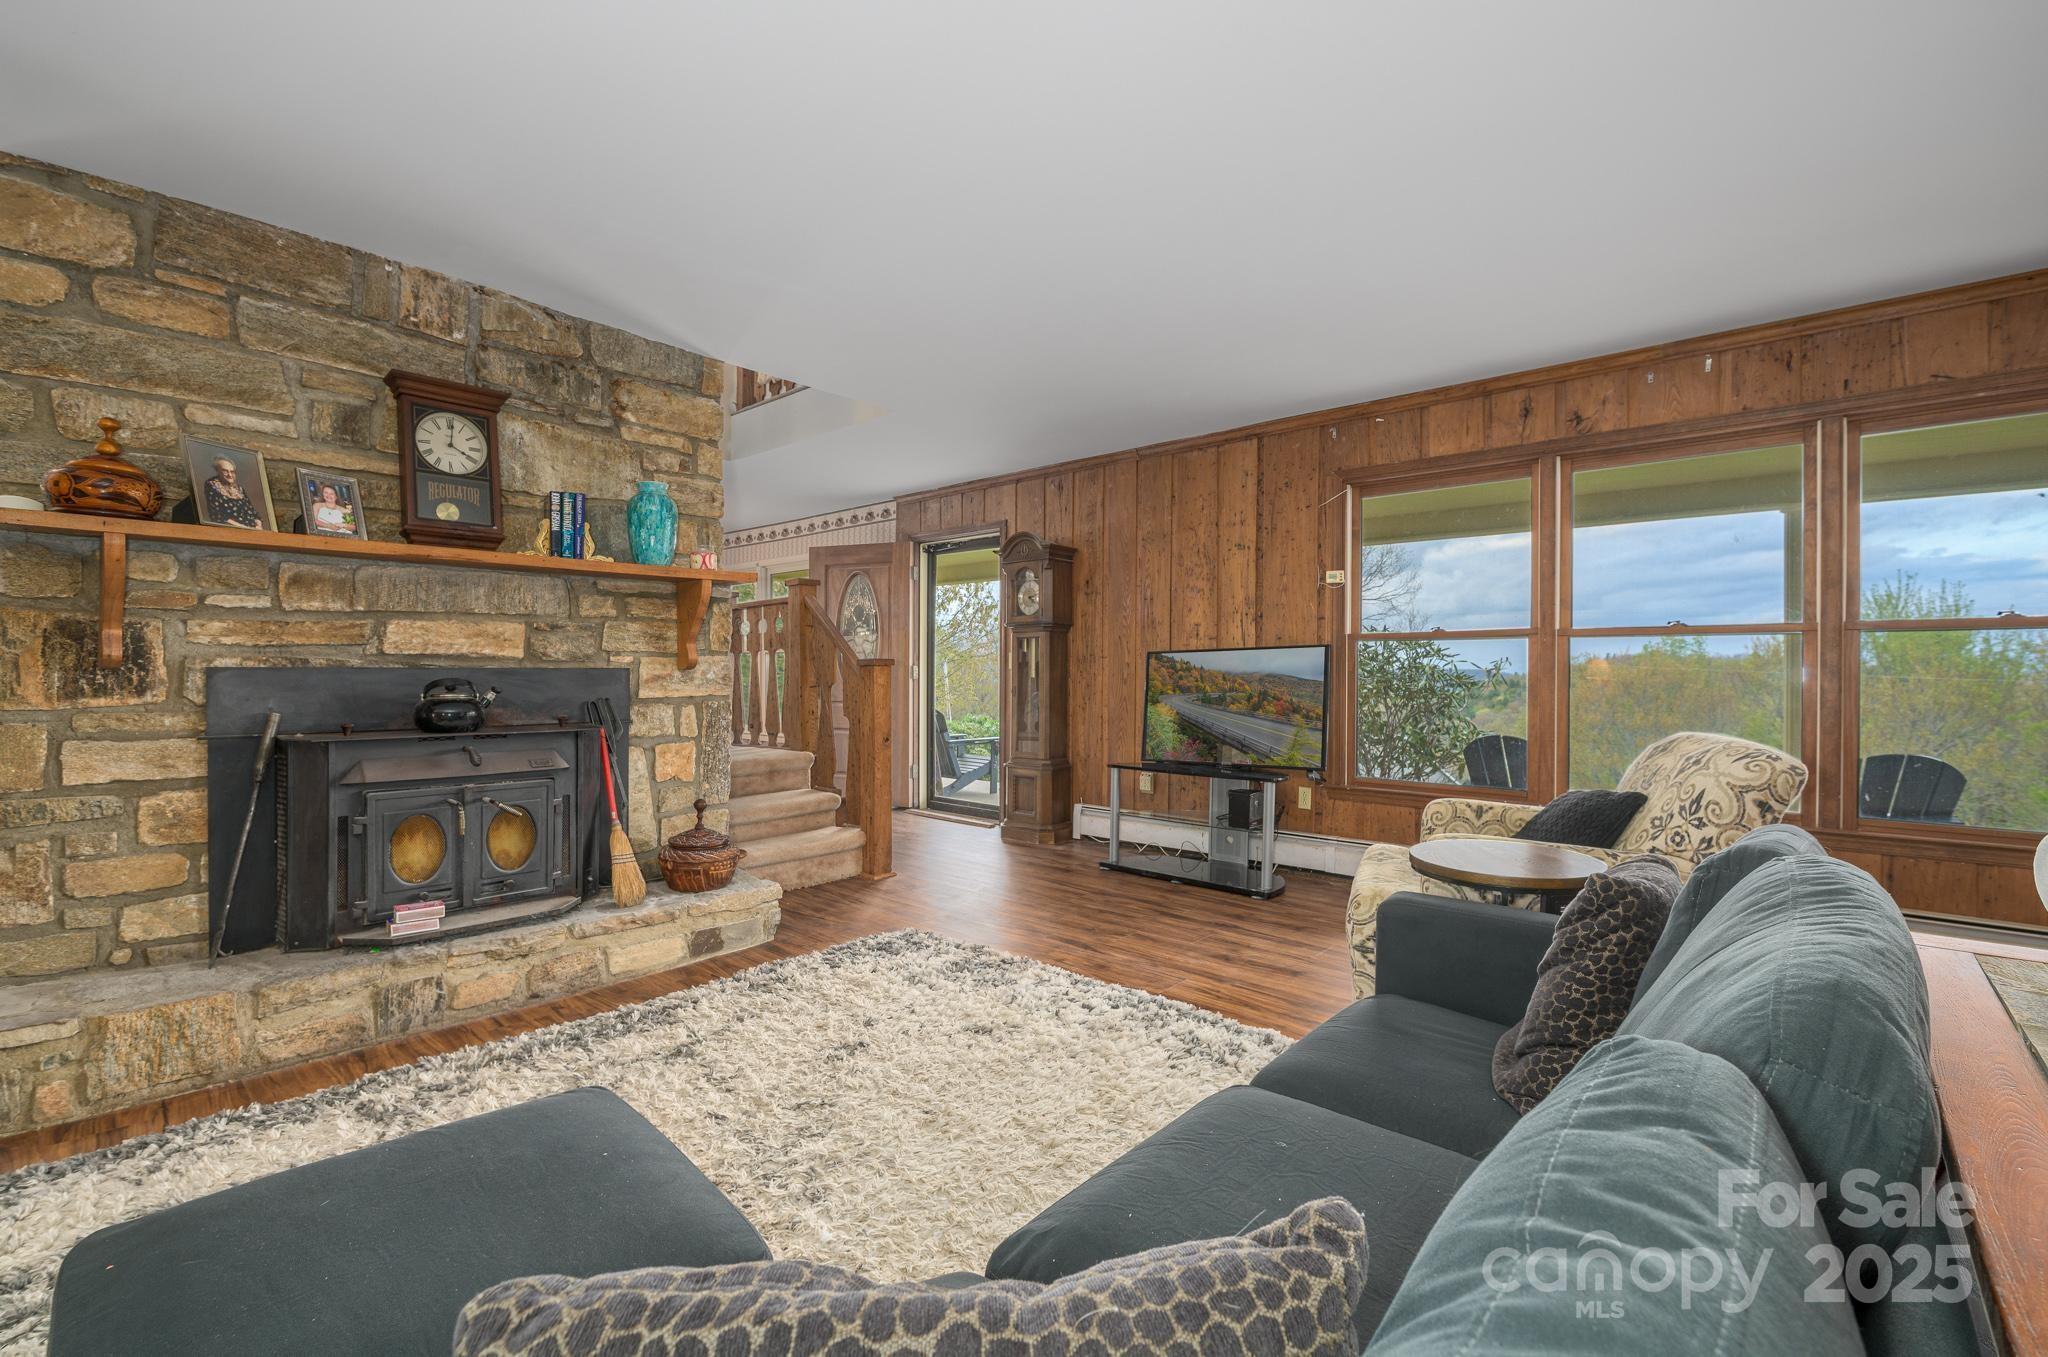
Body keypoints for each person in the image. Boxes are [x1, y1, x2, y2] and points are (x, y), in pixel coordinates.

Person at [203, 457, 264, 529]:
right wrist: (245, 528)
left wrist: (258, 525)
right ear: (217, 471)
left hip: (252, 531)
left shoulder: (239, 489)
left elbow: (253, 513)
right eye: (225, 471)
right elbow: (219, 517)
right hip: (233, 531)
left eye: (232, 472)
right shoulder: (212, 485)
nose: (230, 475)